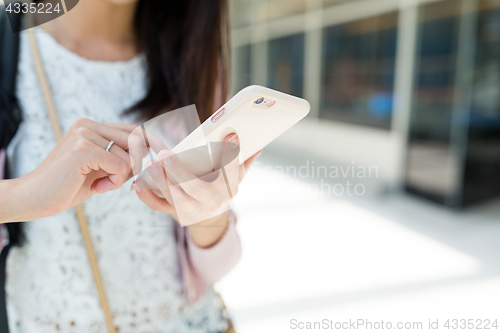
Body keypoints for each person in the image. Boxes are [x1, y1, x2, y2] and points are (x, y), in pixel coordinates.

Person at [0, 0, 258, 332]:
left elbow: (216, 267)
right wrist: (26, 194)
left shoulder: (191, 57)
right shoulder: (11, 35)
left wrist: (208, 215)